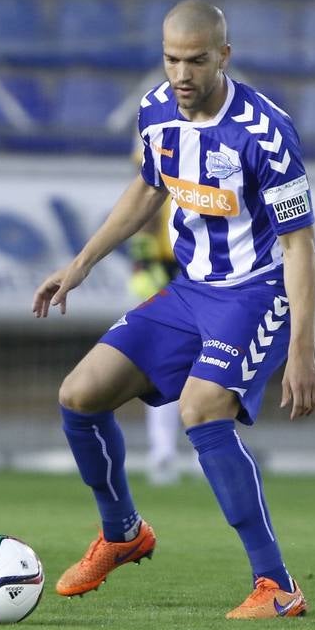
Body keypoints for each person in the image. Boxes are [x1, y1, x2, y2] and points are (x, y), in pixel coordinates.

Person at [33, 0, 315, 619]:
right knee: (78, 396)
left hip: (255, 291)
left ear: (224, 55)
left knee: (201, 409)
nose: (182, 74)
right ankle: (122, 534)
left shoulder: (266, 132)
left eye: (196, 60)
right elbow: (148, 186)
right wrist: (81, 263)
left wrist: (302, 349)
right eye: (171, 59)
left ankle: (276, 586)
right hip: (190, 290)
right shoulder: (155, 111)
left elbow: (300, 245)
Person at [126, 199, 183, 486]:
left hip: (183, 267)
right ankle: (164, 452)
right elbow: (148, 207)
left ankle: (166, 452)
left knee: (176, 370)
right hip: (169, 271)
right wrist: (145, 264)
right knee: (170, 369)